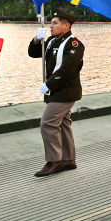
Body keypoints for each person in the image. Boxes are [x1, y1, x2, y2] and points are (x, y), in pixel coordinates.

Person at [29, 10, 84, 177]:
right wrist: (37, 40)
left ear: (66, 26)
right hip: (56, 91)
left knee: (48, 123)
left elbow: (67, 69)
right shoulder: (52, 41)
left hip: (65, 91)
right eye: (51, 23)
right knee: (63, 123)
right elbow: (34, 53)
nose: (50, 26)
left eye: (55, 23)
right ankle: (68, 159)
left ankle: (54, 160)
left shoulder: (74, 44)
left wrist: (49, 84)